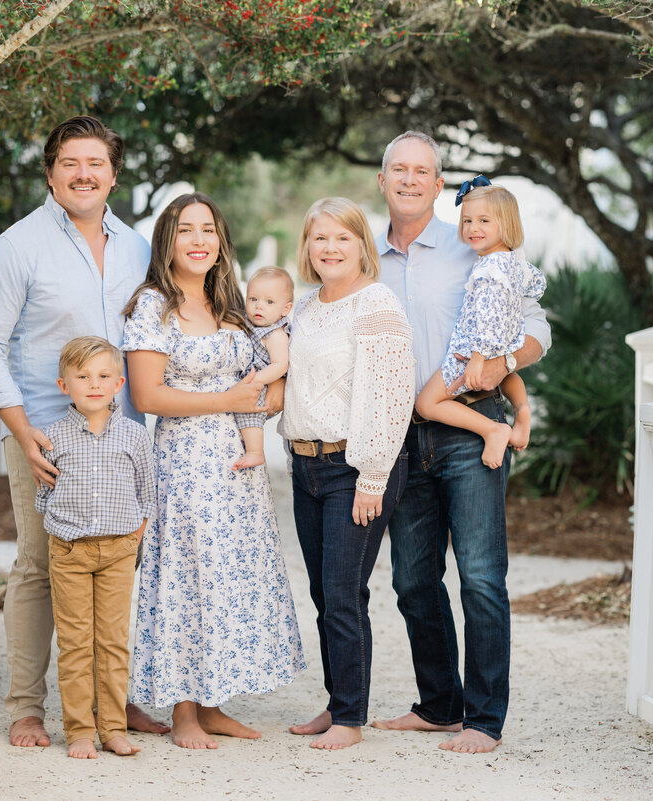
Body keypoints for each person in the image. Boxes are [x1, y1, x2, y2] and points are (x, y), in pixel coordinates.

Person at [0, 114, 167, 748]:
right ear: (51, 172)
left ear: (114, 172)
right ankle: (27, 705)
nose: (84, 174)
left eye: (96, 164)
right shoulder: (16, 247)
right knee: (38, 566)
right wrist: (23, 434)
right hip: (46, 435)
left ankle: (116, 702)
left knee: (120, 563)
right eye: (71, 163)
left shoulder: (138, 248)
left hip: (123, 434)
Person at [370, 131, 552, 753]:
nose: (411, 179)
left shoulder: (474, 245)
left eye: (423, 170)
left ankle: (483, 721)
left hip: (469, 429)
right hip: (396, 437)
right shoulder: (361, 256)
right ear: (383, 179)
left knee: (479, 576)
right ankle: (439, 705)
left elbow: (535, 329)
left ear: (438, 183)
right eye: (400, 169)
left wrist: (500, 363)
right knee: (413, 581)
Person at [121, 192, 306, 750]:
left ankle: (213, 702)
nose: (199, 240)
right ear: (167, 241)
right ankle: (183, 713)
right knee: (185, 576)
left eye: (208, 229)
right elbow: (149, 395)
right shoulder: (153, 304)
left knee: (225, 577)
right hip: (183, 460)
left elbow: (265, 371)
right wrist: (229, 397)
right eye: (185, 230)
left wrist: (266, 396)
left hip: (236, 463)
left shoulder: (229, 305)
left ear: (221, 240)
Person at [281, 197, 414, 750]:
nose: (330, 248)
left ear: (362, 244)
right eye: (320, 238)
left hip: (356, 466)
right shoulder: (306, 309)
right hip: (306, 464)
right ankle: (338, 703)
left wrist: (372, 476)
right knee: (321, 591)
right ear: (307, 248)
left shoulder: (377, 304)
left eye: (342, 237)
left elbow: (390, 397)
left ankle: (350, 719)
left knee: (343, 591)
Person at [36, 337, 153, 759]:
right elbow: (44, 496)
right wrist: (62, 532)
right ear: (63, 385)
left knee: (112, 641)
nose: (94, 384)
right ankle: (81, 731)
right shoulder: (51, 438)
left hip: (119, 551)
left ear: (119, 382)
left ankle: (113, 729)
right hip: (69, 552)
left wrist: (132, 540)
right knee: (75, 642)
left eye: (104, 376)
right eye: (82, 377)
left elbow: (147, 493)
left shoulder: (135, 436)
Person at [414, 180, 546, 468]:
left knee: (427, 403)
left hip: (471, 351)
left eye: (484, 221)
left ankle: (493, 430)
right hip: (507, 339)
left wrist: (477, 359)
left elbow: (485, 319)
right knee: (503, 373)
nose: (473, 228)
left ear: (507, 223)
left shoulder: (488, 270)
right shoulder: (512, 261)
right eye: (468, 220)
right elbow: (536, 284)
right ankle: (522, 408)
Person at [232, 266, 294, 470]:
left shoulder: (275, 333)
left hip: (263, 382)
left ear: (285, 309)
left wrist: (257, 380)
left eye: (269, 302)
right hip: (252, 376)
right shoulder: (252, 322)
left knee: (248, 412)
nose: (259, 307)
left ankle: (255, 451)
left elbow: (280, 364)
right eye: (253, 299)